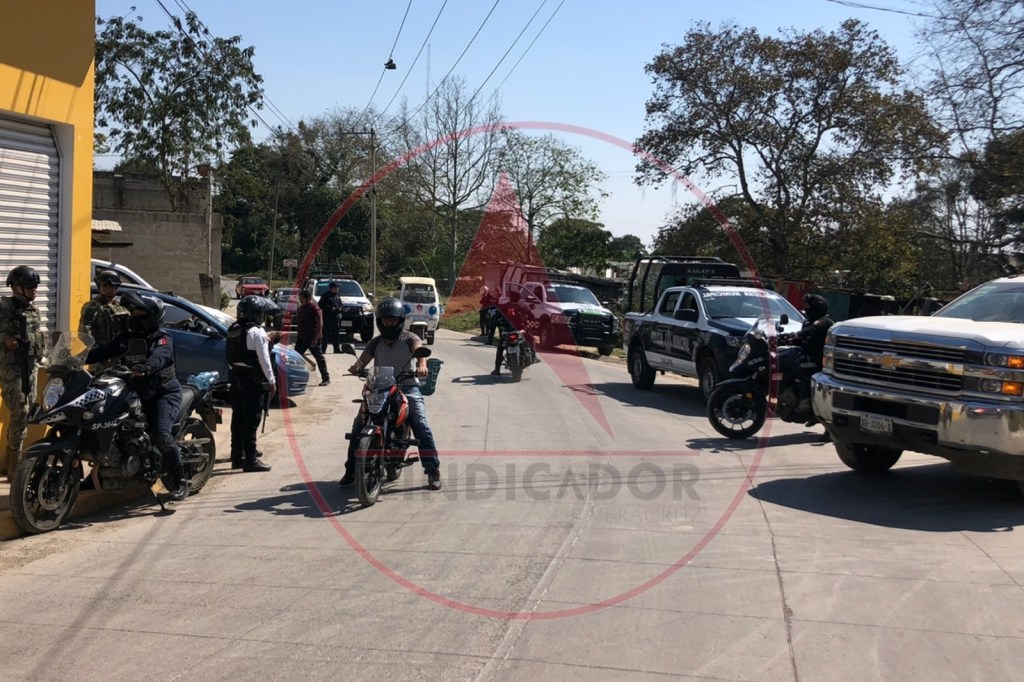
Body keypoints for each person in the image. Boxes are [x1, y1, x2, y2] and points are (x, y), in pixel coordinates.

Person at [85, 290, 189, 501]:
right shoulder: (126, 338)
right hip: (134, 391)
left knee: (162, 434)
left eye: (140, 314)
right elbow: (103, 351)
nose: (135, 317)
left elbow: (161, 356)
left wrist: (147, 366)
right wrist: (77, 359)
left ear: (152, 316)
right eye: (133, 313)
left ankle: (180, 482)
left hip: (162, 393)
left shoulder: (162, 338)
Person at [342, 297, 442, 491]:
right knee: (358, 425)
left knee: (420, 425)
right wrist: (356, 366)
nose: (389, 323)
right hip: (380, 387)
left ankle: (433, 471)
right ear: (380, 321)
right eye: (386, 319)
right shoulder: (375, 342)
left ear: (400, 320)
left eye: (393, 319)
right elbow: (363, 360)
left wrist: (422, 366)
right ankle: (351, 470)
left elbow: (419, 352)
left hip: (407, 387)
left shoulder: (410, 338)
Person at [0, 266, 45, 481]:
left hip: (30, 367)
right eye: (29, 286)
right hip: (10, 367)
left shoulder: (33, 310)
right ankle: (14, 465)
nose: (34, 290)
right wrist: (4, 338)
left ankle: (11, 461)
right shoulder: (4, 306)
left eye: (35, 286)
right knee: (21, 410)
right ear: (16, 287)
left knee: (27, 413)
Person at [227, 295, 278, 472]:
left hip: (235, 378)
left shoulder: (233, 329)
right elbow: (264, 360)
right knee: (251, 419)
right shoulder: (257, 332)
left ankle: (237, 456)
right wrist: (272, 381)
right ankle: (250, 460)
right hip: (252, 380)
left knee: (238, 418)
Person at [79, 269, 129, 371]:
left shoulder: (120, 307)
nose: (107, 289)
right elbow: (85, 333)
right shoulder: (92, 307)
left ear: (116, 288)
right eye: (104, 286)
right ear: (99, 287)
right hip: (100, 359)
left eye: (111, 287)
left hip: (119, 355)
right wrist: (99, 352)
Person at [490, 291, 537, 376]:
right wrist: (527, 326)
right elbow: (532, 317)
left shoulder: (505, 306)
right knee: (532, 340)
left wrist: (497, 322)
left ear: (511, 297)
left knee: (500, 347)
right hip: (521, 331)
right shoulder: (523, 306)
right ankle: (534, 356)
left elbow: (497, 316)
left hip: (508, 331)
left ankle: (497, 369)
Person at [295, 289, 329, 386]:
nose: (300, 300)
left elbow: (320, 324)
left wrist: (315, 339)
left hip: (313, 338)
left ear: (308, 298)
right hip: (302, 338)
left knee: (319, 358)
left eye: (302, 299)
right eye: (300, 299)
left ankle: (325, 378)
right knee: (295, 357)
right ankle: (296, 378)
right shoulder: (301, 308)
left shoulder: (315, 308)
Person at [318, 281, 343, 353]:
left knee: (336, 334)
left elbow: (340, 304)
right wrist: (330, 308)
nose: (337, 289)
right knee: (325, 334)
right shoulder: (325, 296)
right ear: (331, 288)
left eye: (337, 288)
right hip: (327, 318)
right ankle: (323, 349)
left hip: (335, 318)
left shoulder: (337, 296)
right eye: (336, 287)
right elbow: (320, 305)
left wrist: (340, 308)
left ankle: (336, 349)